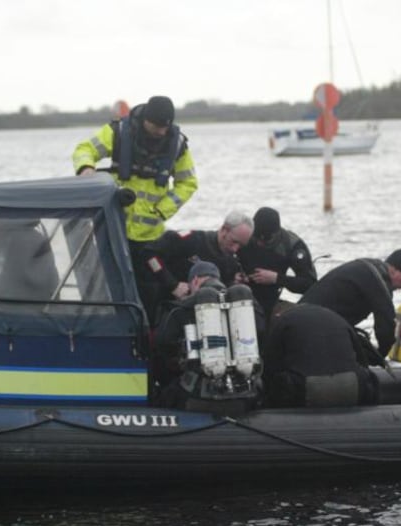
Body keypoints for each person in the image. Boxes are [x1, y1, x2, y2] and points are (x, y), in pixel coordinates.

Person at [72, 95, 198, 270]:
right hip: (114, 227)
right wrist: (86, 169)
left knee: (150, 285)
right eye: (157, 126)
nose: (161, 132)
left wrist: (162, 210)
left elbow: (188, 182)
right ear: (146, 119)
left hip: (151, 235)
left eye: (165, 127)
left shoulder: (177, 144)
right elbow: (84, 149)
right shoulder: (117, 132)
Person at [151, 260, 261, 412]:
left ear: (194, 281)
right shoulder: (247, 307)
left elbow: (162, 344)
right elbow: (262, 335)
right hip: (246, 396)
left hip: (196, 397)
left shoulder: (179, 309)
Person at [299, 248, 401, 359]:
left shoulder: (368, 268)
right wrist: (380, 355)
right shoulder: (376, 280)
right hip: (310, 327)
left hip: (305, 317)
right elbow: (385, 324)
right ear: (393, 269)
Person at [137, 210, 253, 323]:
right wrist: (172, 285)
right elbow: (149, 254)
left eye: (241, 245)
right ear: (224, 229)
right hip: (167, 309)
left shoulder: (231, 262)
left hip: (205, 318)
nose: (235, 249)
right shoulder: (190, 240)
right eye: (234, 242)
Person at [262, 304, 379, 408]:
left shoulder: (283, 320)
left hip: (308, 390)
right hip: (353, 387)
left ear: (278, 315)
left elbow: (270, 366)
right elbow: (362, 359)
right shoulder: (335, 316)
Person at [237, 206, 317, 321]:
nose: (260, 243)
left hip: (271, 299)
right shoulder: (243, 235)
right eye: (256, 238)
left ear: (275, 234)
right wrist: (234, 274)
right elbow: (222, 258)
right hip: (240, 293)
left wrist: (277, 278)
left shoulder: (291, 244)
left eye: (265, 240)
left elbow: (309, 283)